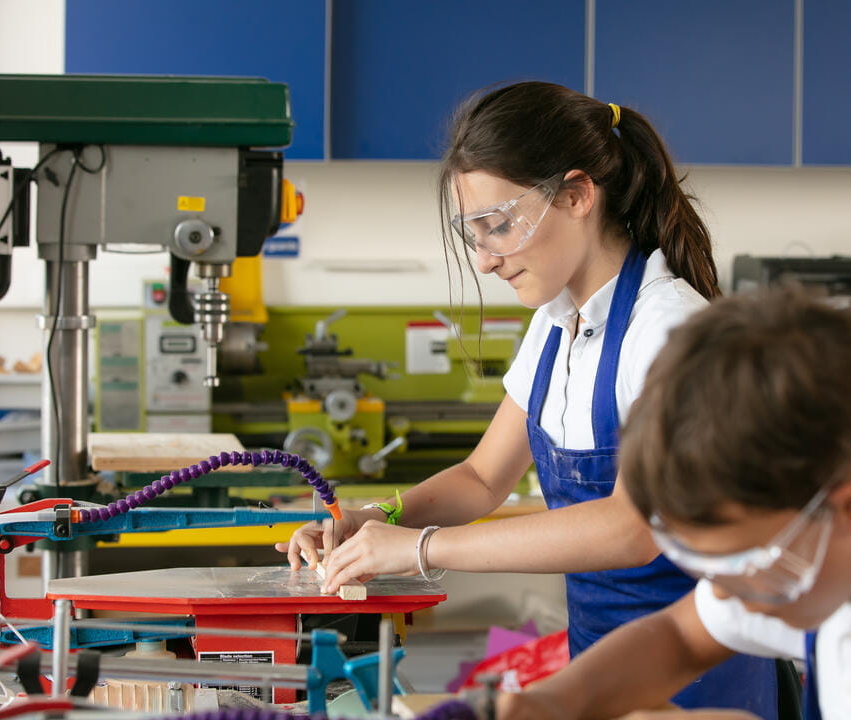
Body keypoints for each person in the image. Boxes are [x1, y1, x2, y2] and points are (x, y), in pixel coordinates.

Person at [276, 81, 776, 713]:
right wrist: (380, 518)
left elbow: (631, 528)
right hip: (604, 670)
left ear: (575, 195)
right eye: (473, 235)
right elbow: (483, 478)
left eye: (499, 226)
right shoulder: (555, 321)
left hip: (698, 681)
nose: (485, 260)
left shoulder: (666, 328)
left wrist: (421, 550)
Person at [495, 285, 851, 720]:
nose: (727, 595)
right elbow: (678, 635)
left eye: (746, 566)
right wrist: (555, 701)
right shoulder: (817, 564)